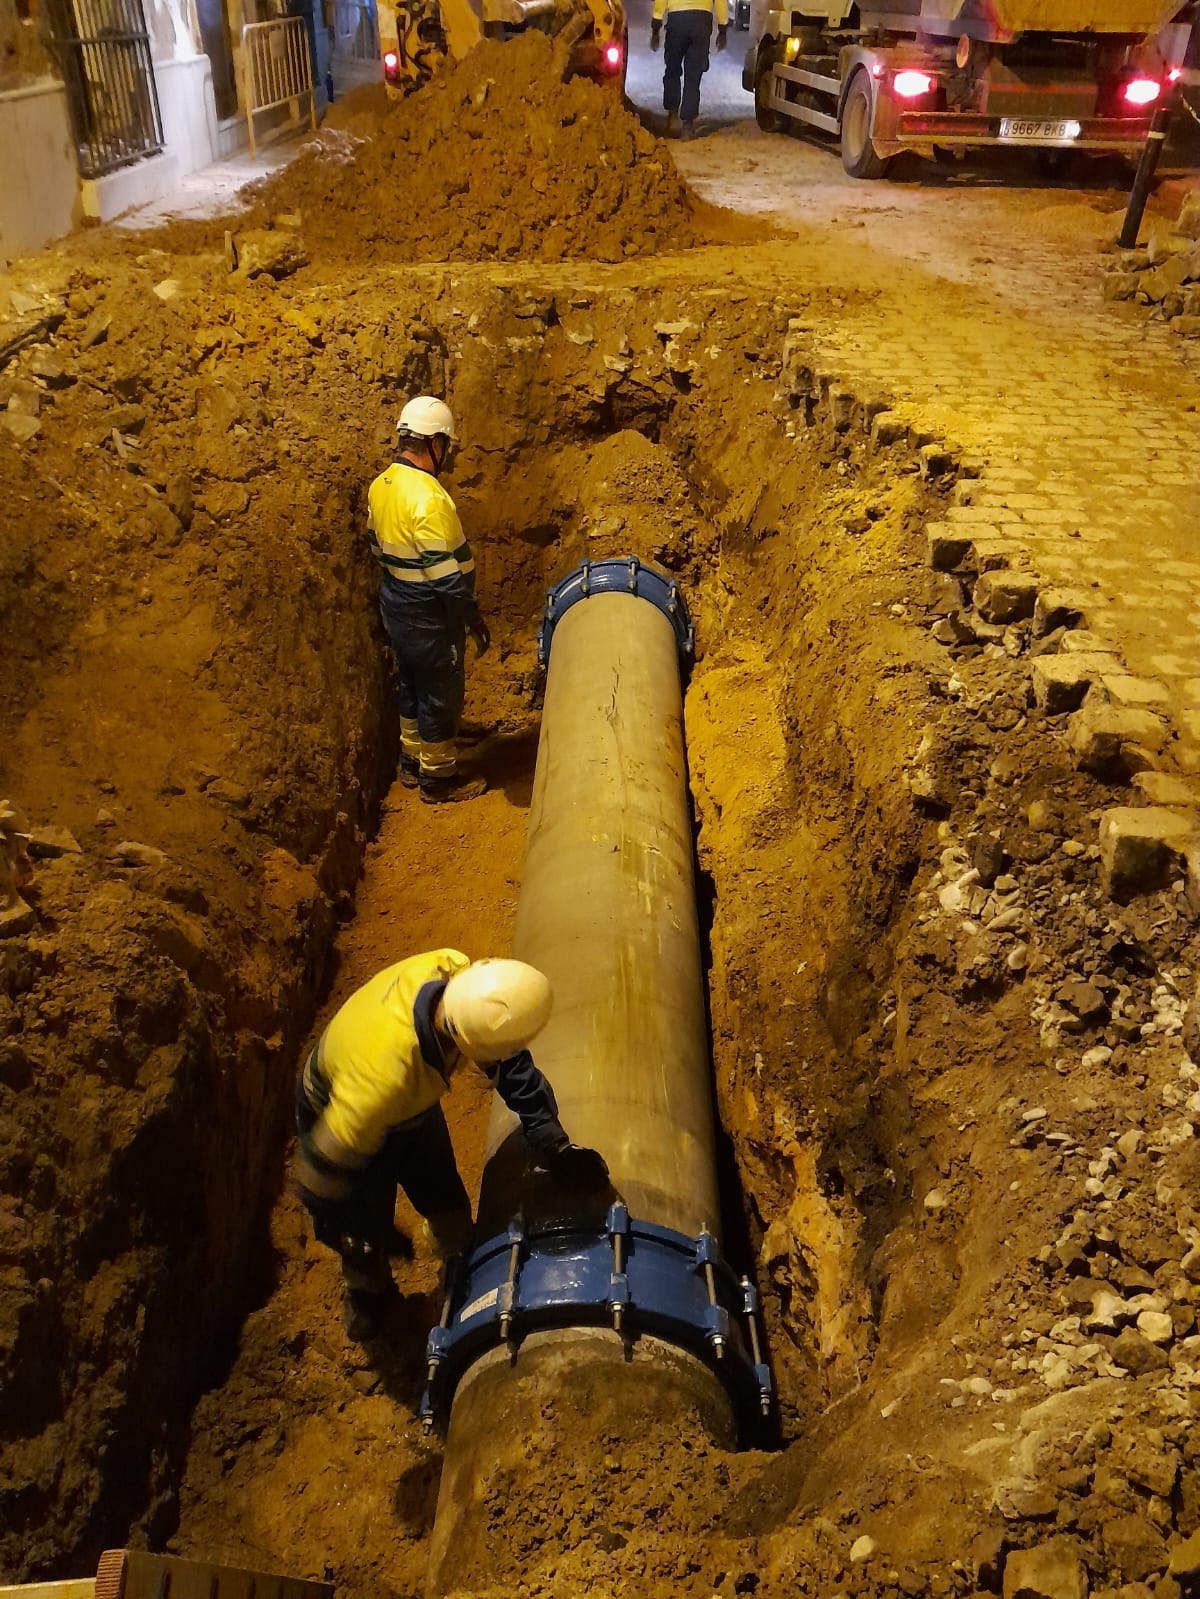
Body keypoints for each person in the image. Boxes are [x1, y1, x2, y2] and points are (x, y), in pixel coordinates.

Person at [294, 951, 610, 1340]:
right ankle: (366, 1288)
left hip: (410, 1103)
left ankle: (457, 1252)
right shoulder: (380, 1088)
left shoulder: (456, 974)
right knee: (360, 1233)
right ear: (467, 1043)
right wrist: (369, 1229)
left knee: (440, 1187)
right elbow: (319, 1182)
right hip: (334, 1111)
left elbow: (514, 1069)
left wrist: (553, 1144)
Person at [367, 395, 490, 805]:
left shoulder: (381, 485)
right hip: (429, 611)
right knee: (440, 690)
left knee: (412, 681)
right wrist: (471, 619)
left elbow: (377, 545)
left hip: (397, 602)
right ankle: (438, 779)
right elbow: (446, 578)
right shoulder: (429, 497)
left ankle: (410, 759)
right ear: (435, 443)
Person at [649, 0, 727, 139]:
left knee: (672, 69)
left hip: (677, 20)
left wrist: (656, 25)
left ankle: (672, 115)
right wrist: (723, 28)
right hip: (701, 21)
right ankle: (687, 125)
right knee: (693, 75)